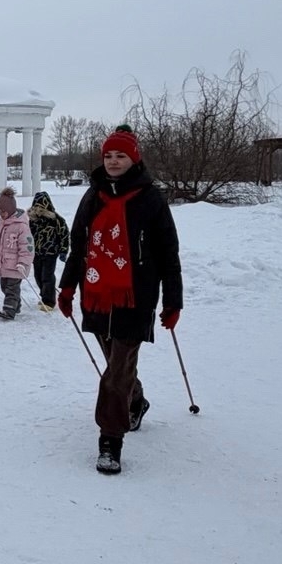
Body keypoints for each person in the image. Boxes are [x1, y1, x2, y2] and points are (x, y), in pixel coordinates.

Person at [58, 126, 183, 476]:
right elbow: (79, 245)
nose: (113, 162)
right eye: (109, 156)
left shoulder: (151, 199)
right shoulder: (92, 195)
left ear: (134, 159)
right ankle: (136, 400)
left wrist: (173, 301)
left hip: (135, 296)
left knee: (116, 371)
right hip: (96, 294)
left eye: (121, 156)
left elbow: (169, 253)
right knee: (118, 364)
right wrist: (67, 287)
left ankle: (110, 440)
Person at [0, 187, 35, 321]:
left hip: (17, 265)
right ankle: (15, 305)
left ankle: (9, 311)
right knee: (4, 287)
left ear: (10, 210)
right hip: (5, 264)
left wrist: (23, 263)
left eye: (3, 211)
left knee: (11, 289)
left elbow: (27, 247)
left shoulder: (21, 226)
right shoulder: (1, 225)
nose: (1, 214)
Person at [28, 191, 70, 312]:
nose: (39, 210)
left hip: (51, 253)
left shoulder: (57, 220)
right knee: (38, 276)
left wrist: (63, 250)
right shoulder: (32, 221)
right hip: (36, 253)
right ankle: (44, 295)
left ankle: (49, 301)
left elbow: (64, 235)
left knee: (47, 276)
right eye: (36, 207)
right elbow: (28, 237)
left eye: (41, 207)